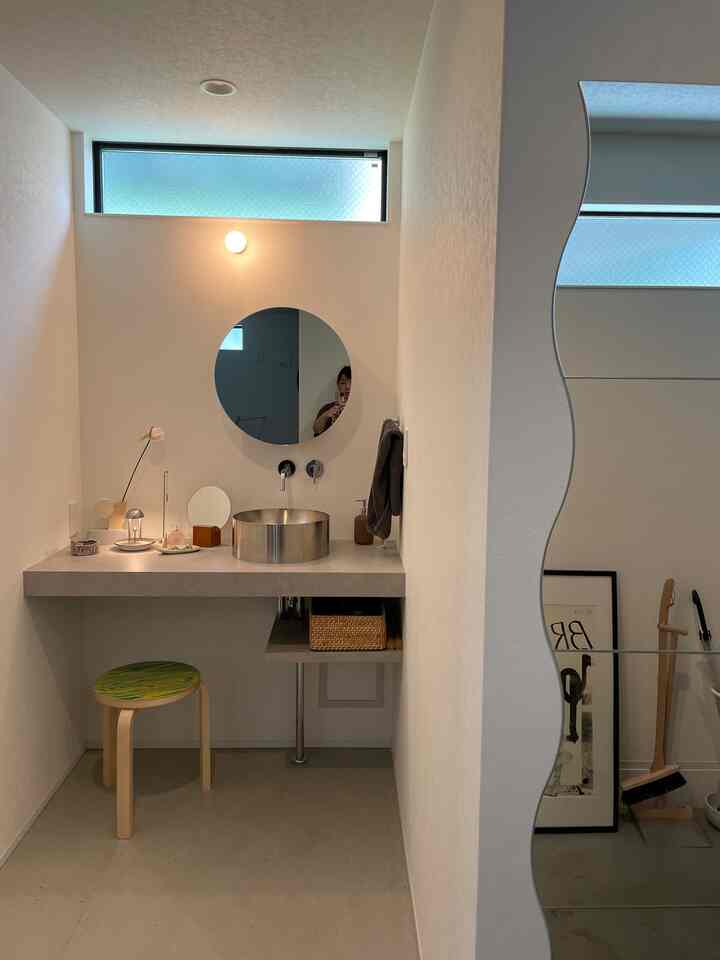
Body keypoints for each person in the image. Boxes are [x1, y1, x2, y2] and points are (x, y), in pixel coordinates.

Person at [313, 366, 351, 436]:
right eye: (343, 383)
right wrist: (327, 414)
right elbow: (316, 430)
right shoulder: (327, 408)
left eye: (351, 382)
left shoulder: (362, 410)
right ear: (338, 385)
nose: (347, 387)